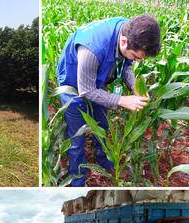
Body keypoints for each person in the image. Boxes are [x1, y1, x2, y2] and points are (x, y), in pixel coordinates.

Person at [57, 15, 161, 186]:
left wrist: (135, 86)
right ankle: (77, 178)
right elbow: (87, 90)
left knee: (103, 123)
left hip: (99, 78)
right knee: (77, 137)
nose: (136, 61)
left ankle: (104, 159)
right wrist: (121, 100)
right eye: (136, 57)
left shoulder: (130, 29)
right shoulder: (92, 48)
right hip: (74, 83)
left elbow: (125, 64)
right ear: (124, 41)